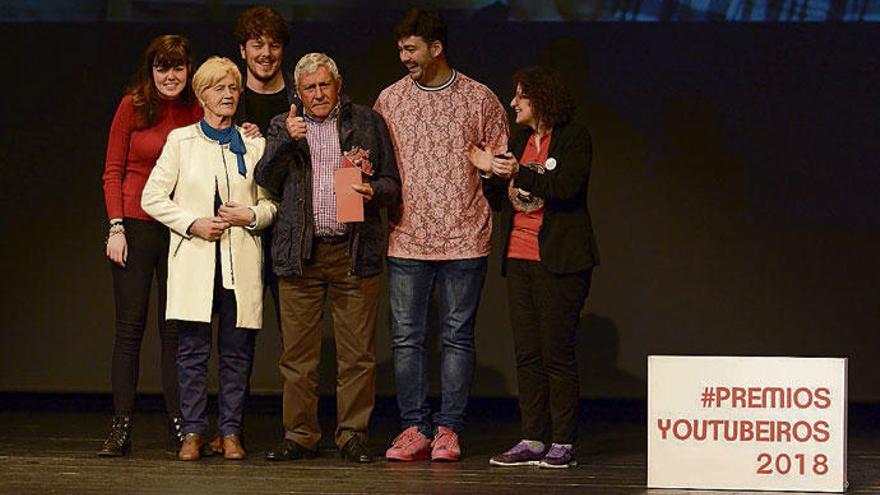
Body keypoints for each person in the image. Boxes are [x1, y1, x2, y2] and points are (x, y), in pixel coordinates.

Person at [373, 9, 508, 462]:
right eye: (400, 49)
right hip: (407, 236)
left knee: (456, 335)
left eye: (411, 49)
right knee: (407, 337)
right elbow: (375, 162)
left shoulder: (479, 98)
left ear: (436, 48)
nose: (404, 57)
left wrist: (494, 169)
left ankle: (449, 429)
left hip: (464, 235)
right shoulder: (390, 100)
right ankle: (414, 427)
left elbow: (502, 162)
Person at [256, 53, 400, 464]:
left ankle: (352, 434)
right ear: (298, 93)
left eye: (324, 85)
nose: (318, 94)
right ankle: (300, 434)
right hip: (301, 255)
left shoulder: (367, 122)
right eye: (309, 88)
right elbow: (265, 179)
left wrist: (375, 191)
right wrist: (286, 139)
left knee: (356, 355)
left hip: (352, 251)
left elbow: (392, 183)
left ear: (338, 84)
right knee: (297, 357)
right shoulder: (284, 126)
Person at [141, 56, 276, 461]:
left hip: (241, 262)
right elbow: (152, 198)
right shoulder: (181, 141)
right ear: (201, 96)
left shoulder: (254, 145)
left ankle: (231, 432)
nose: (228, 95)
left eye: (233, 88)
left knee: (237, 353)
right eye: (218, 88)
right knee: (192, 353)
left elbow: (272, 204)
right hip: (197, 261)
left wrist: (250, 215)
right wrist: (192, 223)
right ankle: (194, 432)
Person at [473, 66, 599, 469]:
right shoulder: (520, 139)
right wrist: (488, 170)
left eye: (520, 96)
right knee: (527, 353)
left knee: (555, 353)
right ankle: (532, 437)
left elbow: (566, 188)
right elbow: (500, 196)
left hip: (561, 261)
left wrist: (519, 171)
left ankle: (562, 441)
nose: (513, 103)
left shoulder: (574, 137)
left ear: (540, 99)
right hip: (520, 257)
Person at [98, 34, 202, 457]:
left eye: (178, 67)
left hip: (179, 229)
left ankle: (182, 424)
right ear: (151, 70)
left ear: (188, 69)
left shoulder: (198, 108)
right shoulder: (133, 105)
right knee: (130, 329)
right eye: (163, 68)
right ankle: (121, 427)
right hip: (137, 226)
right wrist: (116, 227)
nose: (171, 76)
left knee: (174, 330)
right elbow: (112, 170)